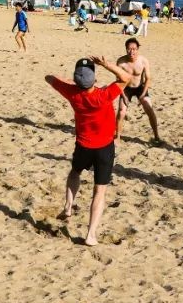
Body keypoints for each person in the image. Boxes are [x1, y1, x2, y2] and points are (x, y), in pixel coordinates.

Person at [45, 55, 131, 246]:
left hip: (83, 146)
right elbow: (126, 78)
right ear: (94, 78)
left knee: (75, 173)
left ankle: (68, 206)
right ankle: (90, 235)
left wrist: (71, 82)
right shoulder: (104, 94)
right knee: (99, 191)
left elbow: (49, 77)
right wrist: (106, 64)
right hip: (104, 148)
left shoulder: (72, 93)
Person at [116, 38, 161, 142]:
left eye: (134, 49)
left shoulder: (143, 61)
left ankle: (156, 136)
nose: (132, 52)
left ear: (137, 49)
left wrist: (143, 94)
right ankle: (117, 137)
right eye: (129, 49)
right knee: (121, 112)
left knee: (149, 109)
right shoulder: (121, 62)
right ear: (126, 49)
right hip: (126, 88)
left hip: (140, 87)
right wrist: (123, 96)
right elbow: (118, 81)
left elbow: (148, 78)